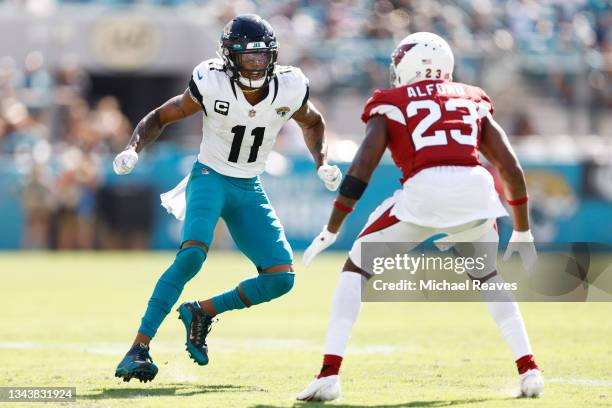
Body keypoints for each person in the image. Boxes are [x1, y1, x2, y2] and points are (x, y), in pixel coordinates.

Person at [296, 32, 543, 401]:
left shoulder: (390, 101)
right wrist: (522, 231)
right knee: (488, 274)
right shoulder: (472, 97)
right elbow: (510, 167)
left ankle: (329, 374)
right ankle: (530, 370)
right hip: (476, 189)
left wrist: (333, 227)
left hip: (426, 189)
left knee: (355, 269)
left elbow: (364, 165)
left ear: (407, 65)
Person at [112, 14, 342, 383]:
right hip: (210, 177)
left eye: (262, 56)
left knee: (281, 278)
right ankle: (138, 347)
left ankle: (202, 312)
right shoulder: (211, 81)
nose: (255, 64)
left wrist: (322, 161)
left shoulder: (290, 85)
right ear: (228, 58)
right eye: (247, 57)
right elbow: (160, 116)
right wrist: (133, 148)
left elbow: (312, 121)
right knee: (191, 255)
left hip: (249, 186)